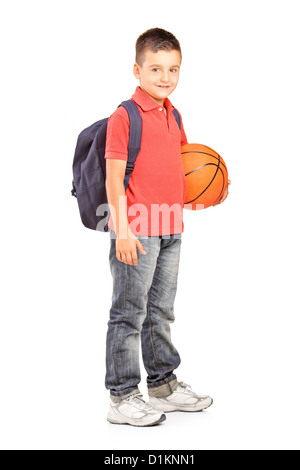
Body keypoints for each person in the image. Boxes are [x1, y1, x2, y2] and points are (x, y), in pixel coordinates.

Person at [104, 28, 229, 427]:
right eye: (155, 68)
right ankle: (122, 396)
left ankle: (162, 385)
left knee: (160, 311)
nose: (164, 77)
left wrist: (208, 192)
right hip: (137, 225)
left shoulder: (173, 114)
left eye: (173, 69)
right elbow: (112, 179)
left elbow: (184, 168)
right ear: (137, 70)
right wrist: (122, 230)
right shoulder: (124, 116)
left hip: (171, 225)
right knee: (129, 312)